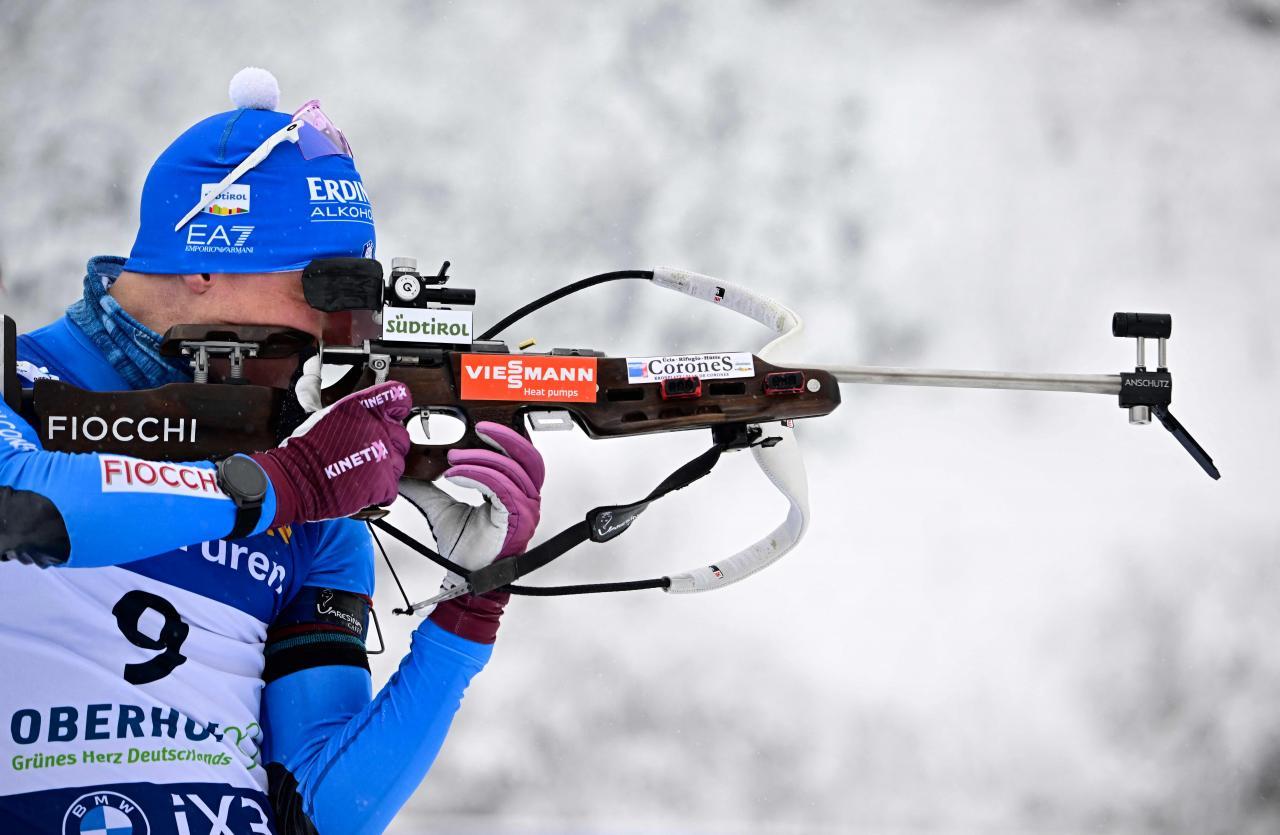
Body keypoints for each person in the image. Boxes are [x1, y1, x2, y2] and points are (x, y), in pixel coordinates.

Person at [0, 68, 543, 835]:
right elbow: (24, 505)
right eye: (321, 290)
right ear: (201, 262)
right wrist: (289, 481)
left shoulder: (312, 494)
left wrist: (471, 606)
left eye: (361, 299)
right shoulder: (21, 387)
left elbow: (319, 810)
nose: (340, 333)